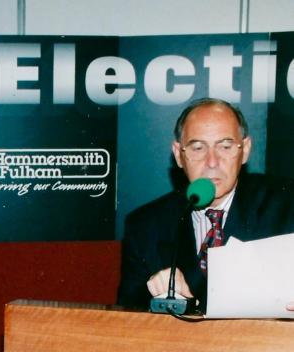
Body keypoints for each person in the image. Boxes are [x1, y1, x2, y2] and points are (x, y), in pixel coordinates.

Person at [118, 98, 294, 312]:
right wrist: (157, 294)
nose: (212, 162)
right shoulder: (145, 225)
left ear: (245, 149)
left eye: (226, 146)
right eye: (198, 148)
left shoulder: (286, 205)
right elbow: (127, 312)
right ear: (178, 154)